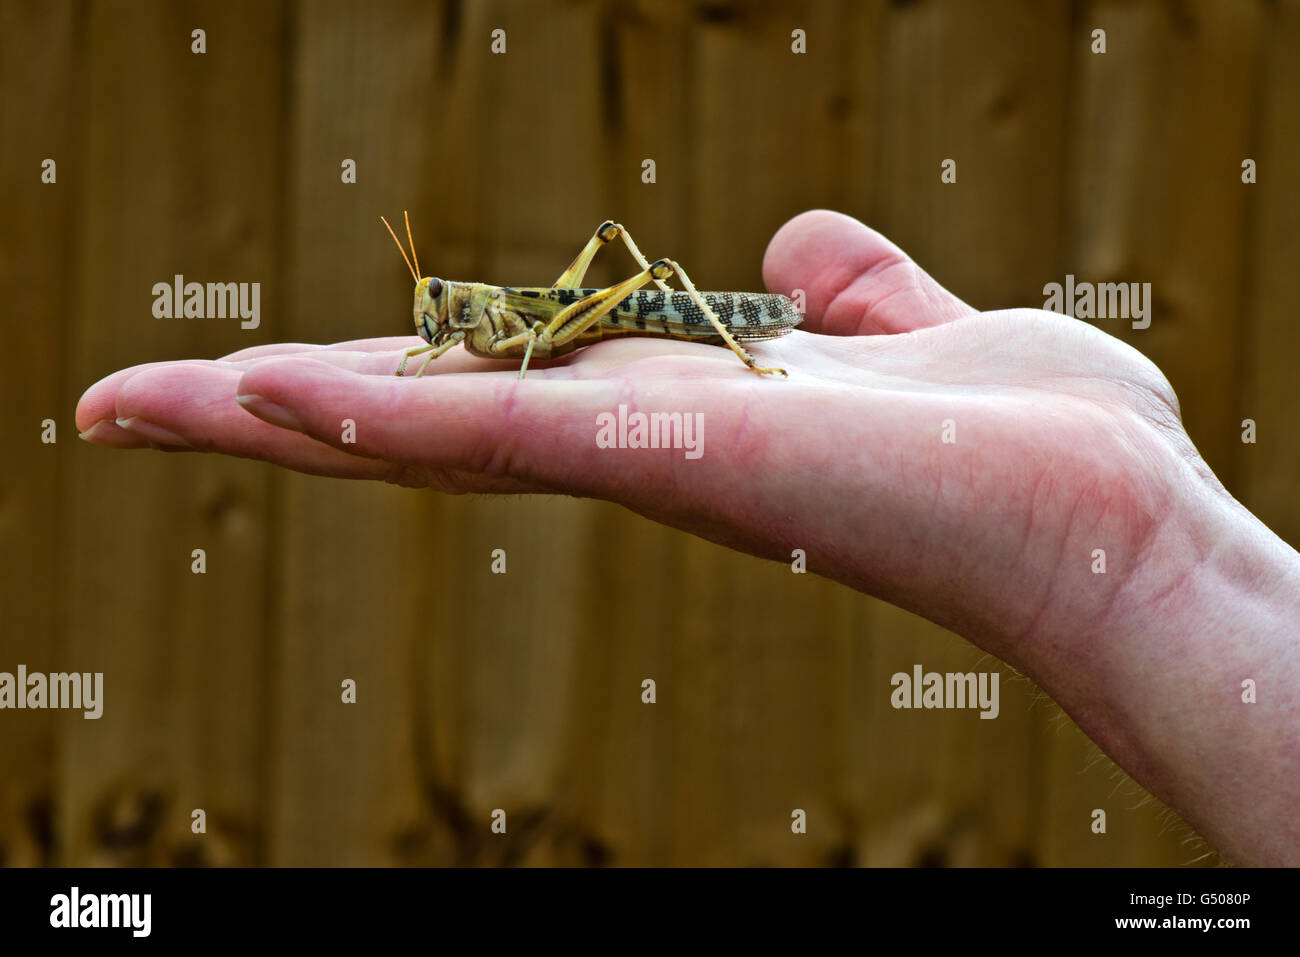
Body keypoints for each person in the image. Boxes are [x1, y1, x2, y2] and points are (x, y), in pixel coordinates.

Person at [77, 210, 1300, 866]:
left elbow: (520, 335)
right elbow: (470, 345)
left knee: (627, 261)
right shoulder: (465, 322)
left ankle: (723, 334)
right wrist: (1155, 574)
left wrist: (1151, 564)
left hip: (659, 307)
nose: (438, 322)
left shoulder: (514, 317)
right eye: (436, 315)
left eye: (440, 312)